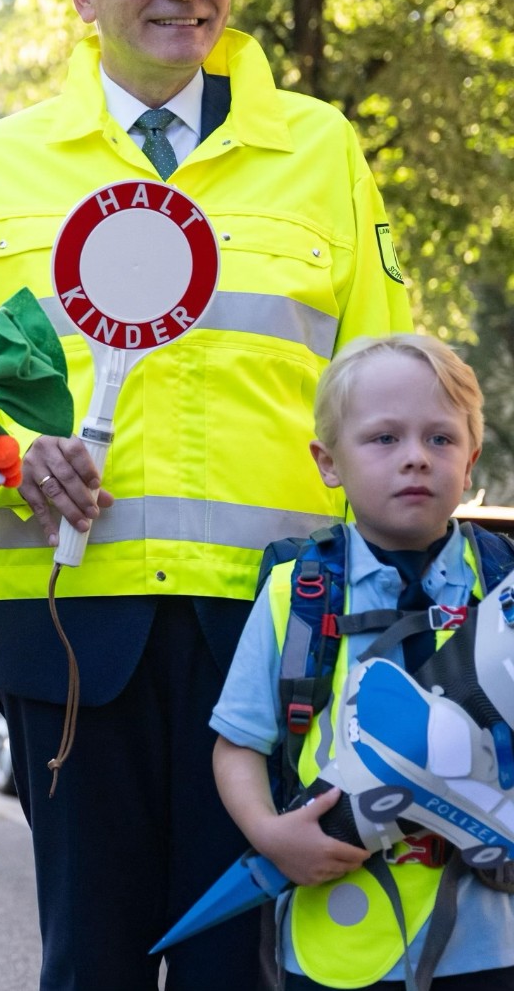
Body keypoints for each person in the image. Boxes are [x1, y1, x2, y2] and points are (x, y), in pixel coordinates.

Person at [0, 0, 413, 989]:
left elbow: (387, 390)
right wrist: (10, 460)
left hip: (278, 632)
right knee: (89, 961)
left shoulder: (319, 151)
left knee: (246, 965)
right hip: (74, 635)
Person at [212, 334, 514, 990]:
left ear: (471, 460)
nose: (415, 458)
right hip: (336, 939)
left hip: (489, 937)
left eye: (440, 438)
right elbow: (237, 743)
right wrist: (270, 834)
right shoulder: (298, 592)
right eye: (384, 438)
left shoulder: (503, 587)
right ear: (328, 462)